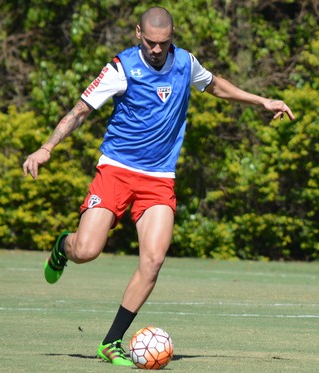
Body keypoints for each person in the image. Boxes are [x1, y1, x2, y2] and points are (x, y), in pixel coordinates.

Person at [23, 6, 295, 367]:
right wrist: (47, 148)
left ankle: (110, 343)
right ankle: (63, 245)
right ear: (138, 33)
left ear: (172, 38)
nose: (156, 50)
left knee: (152, 261)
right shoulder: (120, 68)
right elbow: (80, 110)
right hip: (116, 171)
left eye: (163, 43)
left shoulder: (184, 63)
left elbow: (214, 85)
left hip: (159, 179)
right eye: (150, 43)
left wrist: (261, 100)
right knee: (87, 250)